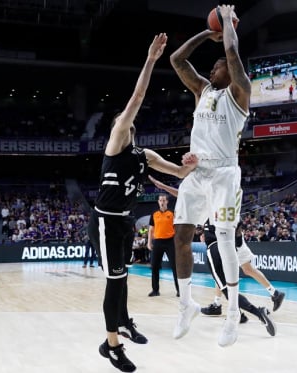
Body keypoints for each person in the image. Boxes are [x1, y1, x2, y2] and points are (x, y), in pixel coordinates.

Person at [89, 33, 199, 373]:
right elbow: (136, 98)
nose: (128, 118)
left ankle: (123, 323)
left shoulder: (144, 155)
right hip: (105, 221)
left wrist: (192, 164)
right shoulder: (116, 142)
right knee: (114, 281)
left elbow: (179, 171)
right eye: (123, 118)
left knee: (121, 280)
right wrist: (151, 59)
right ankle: (112, 346)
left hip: (123, 222)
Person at [169, 4, 250, 347]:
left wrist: (229, 25)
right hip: (198, 173)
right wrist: (208, 33)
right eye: (214, 64)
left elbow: (231, 53)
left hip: (225, 176)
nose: (214, 65)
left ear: (230, 73)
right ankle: (186, 304)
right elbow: (176, 60)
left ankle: (232, 315)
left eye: (218, 65)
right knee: (181, 236)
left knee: (224, 238)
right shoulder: (203, 91)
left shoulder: (240, 92)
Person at [148, 177, 286, 315]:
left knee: (224, 272)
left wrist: (163, 186)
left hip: (226, 237)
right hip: (232, 235)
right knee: (240, 270)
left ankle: (232, 308)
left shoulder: (213, 197)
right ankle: (272, 293)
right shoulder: (220, 195)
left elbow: (184, 195)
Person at [147, 190, 179, 297]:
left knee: (175, 267)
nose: (162, 202)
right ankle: (155, 290)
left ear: (167, 202)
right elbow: (151, 229)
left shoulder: (172, 213)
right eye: (160, 200)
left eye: (164, 200)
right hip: (158, 242)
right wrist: (149, 242)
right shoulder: (154, 214)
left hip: (170, 242)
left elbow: (177, 228)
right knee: (154, 266)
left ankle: (179, 290)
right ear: (158, 202)